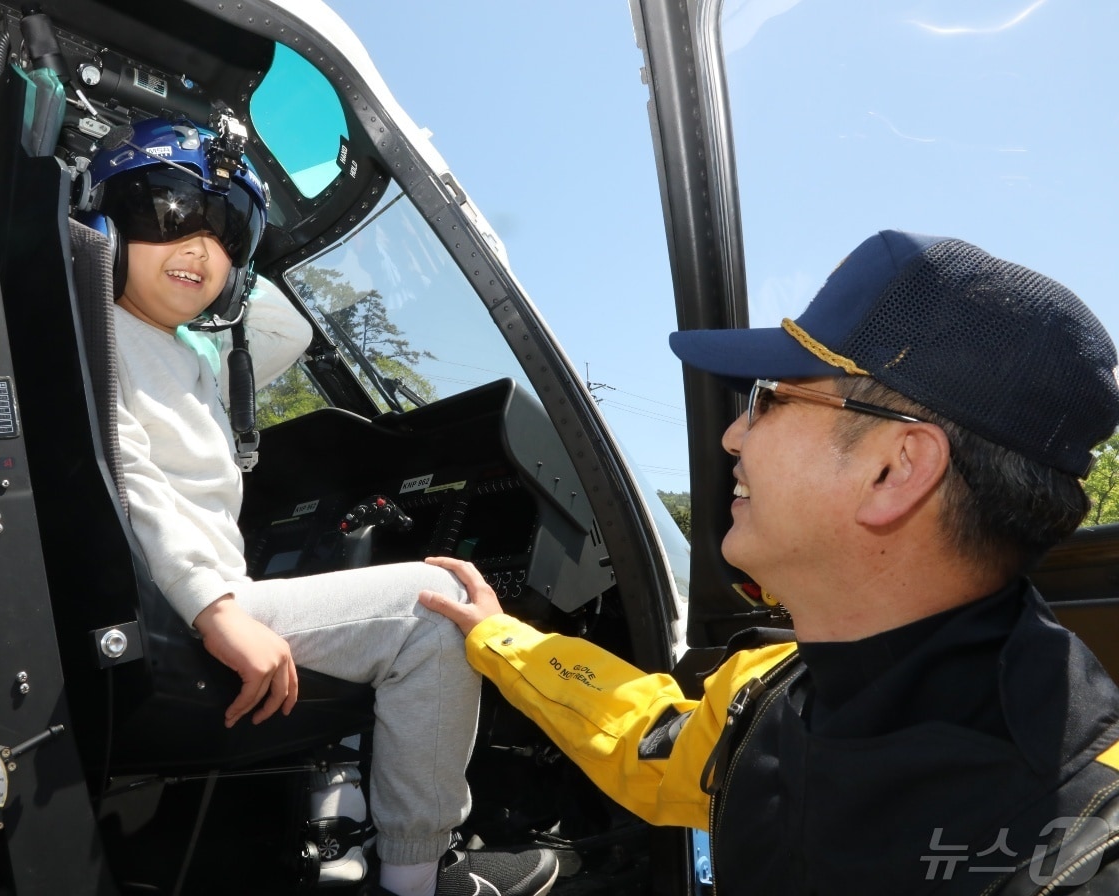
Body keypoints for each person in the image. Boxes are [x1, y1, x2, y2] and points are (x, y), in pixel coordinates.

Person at [419, 229, 1119, 895]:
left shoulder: (1091, 844)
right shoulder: (763, 694)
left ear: (894, 469)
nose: (731, 436)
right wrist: (498, 636)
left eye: (769, 399)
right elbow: (647, 741)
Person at [83, 116, 559, 896]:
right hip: (180, 613)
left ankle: (343, 827)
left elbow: (275, 335)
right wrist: (216, 609)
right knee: (430, 611)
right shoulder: (107, 340)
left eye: (228, 228)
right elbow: (130, 482)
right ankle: (418, 876)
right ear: (105, 222)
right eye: (166, 213)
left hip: (170, 603)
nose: (200, 249)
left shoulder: (168, 349)